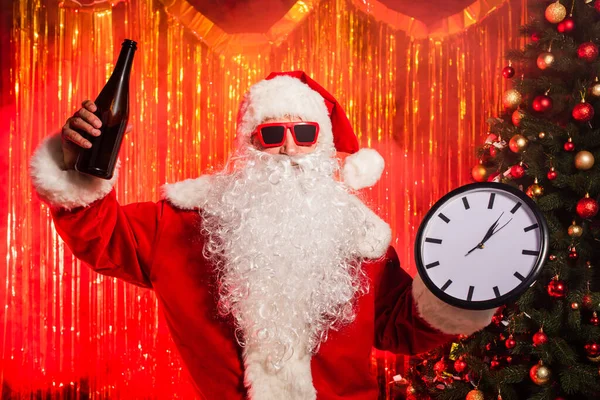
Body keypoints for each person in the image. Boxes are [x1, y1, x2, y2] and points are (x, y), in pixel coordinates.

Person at [29, 71, 496, 399]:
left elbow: (399, 325)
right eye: (271, 134)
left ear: (323, 144)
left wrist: (464, 287)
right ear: (248, 144)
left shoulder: (361, 238)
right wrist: (75, 163)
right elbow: (103, 237)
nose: (289, 147)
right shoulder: (179, 222)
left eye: (305, 133)